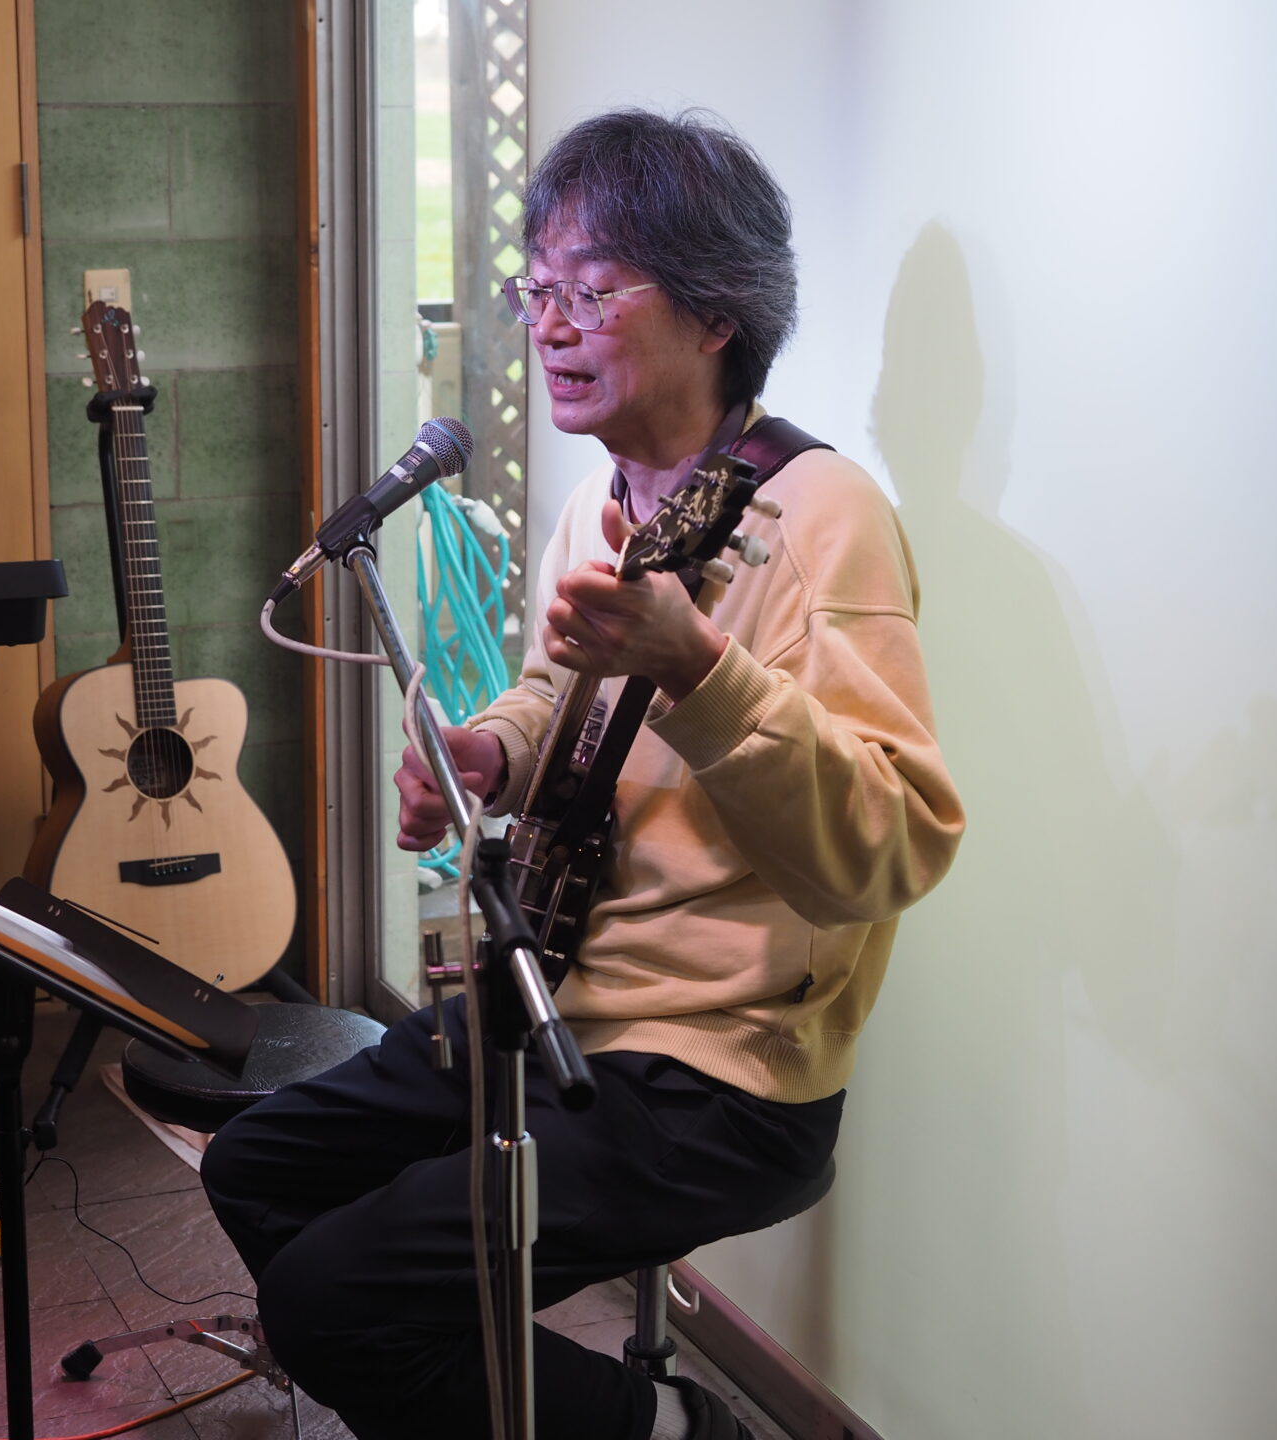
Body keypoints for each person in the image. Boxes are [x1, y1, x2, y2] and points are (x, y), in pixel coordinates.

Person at [202, 108, 964, 1440]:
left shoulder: (825, 518)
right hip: (554, 998)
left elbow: (890, 846)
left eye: (592, 293)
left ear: (716, 313)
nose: (549, 327)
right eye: (537, 290)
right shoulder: (604, 503)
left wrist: (702, 671)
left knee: (332, 1305)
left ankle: (676, 1431)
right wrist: (493, 751)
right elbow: (562, 689)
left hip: (714, 1073)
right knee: (257, 1163)